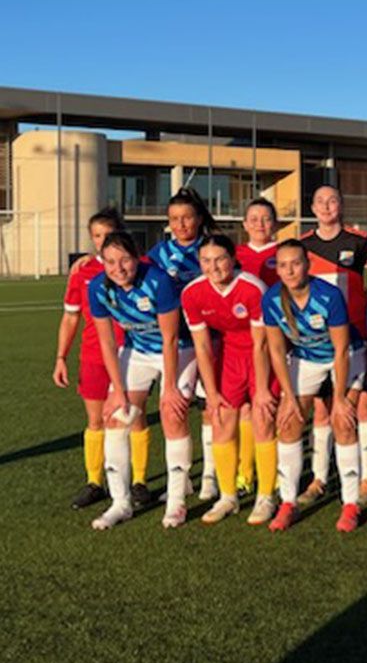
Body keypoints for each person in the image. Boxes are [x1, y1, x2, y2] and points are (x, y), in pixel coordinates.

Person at [87, 232, 199, 530]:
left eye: (125, 259)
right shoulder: (98, 287)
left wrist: (170, 386)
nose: (118, 268)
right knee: (115, 418)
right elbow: (107, 342)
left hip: (178, 350)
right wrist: (117, 391)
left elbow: (171, 337)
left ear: (137, 257)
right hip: (136, 351)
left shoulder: (158, 280)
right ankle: (120, 503)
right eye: (110, 261)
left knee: (172, 415)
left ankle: (176, 501)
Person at [261, 240, 366, 533]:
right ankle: (288, 502)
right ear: (277, 269)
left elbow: (341, 349)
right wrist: (288, 396)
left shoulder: (329, 295)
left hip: (345, 356)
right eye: (283, 265)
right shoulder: (271, 299)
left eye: (296, 263)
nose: (290, 270)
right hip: (306, 358)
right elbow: (277, 350)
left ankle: (350, 503)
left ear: (307, 264)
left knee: (343, 422)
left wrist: (342, 397)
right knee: (290, 421)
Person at [181, 234, 276, 525]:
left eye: (220, 259)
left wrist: (261, 389)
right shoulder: (192, 293)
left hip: (263, 353)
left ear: (233, 259)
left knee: (263, 420)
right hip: (230, 355)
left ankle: (265, 497)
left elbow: (262, 343)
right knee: (221, 419)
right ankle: (228, 497)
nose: (214, 267)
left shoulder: (252, 288)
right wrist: (210, 392)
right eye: (206, 261)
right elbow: (202, 346)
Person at [298, 186, 367, 507]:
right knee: (322, 409)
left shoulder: (359, 241)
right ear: (313, 207)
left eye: (332, 200)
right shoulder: (303, 245)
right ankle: (319, 477)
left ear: (341, 205)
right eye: (320, 201)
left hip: (356, 336)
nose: (327, 206)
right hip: (319, 341)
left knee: (362, 406)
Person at [145, 188, 220, 498]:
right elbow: (127, 269)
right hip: (179, 344)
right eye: (174, 219)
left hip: (214, 338)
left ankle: (212, 476)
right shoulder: (158, 254)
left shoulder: (213, 248)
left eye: (187, 217)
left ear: (199, 218)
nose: (181, 224)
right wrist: (89, 262)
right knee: (174, 408)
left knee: (210, 406)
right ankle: (184, 478)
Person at [54, 208, 129, 509]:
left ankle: (134, 482)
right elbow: (70, 318)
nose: (101, 241)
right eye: (96, 236)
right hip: (93, 355)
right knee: (96, 420)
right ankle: (95, 481)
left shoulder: (137, 266)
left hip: (129, 353)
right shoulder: (82, 272)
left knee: (130, 420)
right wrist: (61, 357)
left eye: (107, 234)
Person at [232, 197, 279, 496]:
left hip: (278, 340)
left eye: (265, 218)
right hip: (240, 344)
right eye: (254, 218)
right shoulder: (233, 255)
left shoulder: (287, 252)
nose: (260, 224)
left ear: (274, 223)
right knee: (243, 410)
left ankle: (271, 477)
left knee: (269, 408)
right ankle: (244, 473)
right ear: (244, 223)